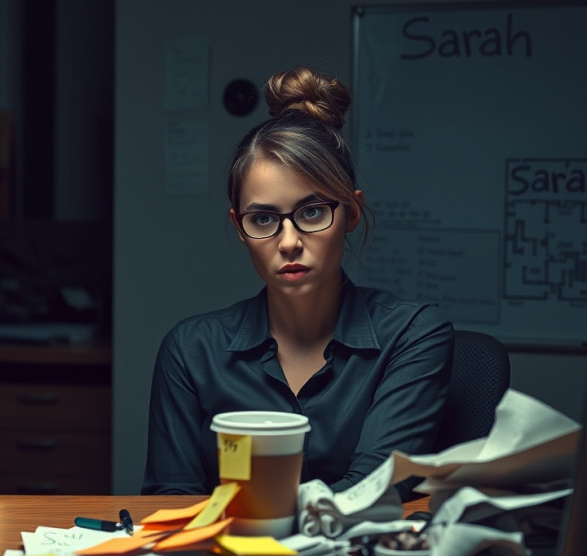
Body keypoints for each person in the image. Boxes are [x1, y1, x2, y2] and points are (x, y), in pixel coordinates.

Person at [143, 66, 453, 496]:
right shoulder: (191, 350)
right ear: (239, 225)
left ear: (351, 212)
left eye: (311, 212)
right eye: (264, 218)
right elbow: (171, 503)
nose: (288, 242)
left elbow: (373, 490)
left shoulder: (412, 335)